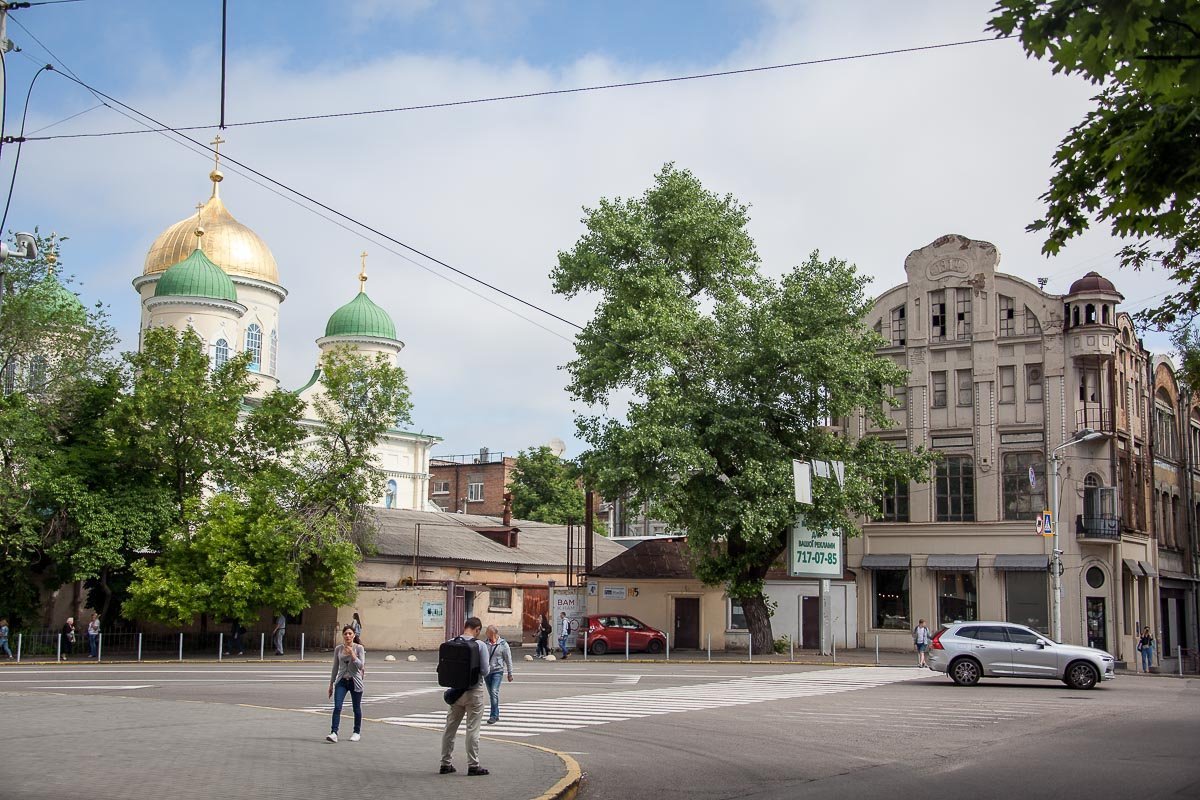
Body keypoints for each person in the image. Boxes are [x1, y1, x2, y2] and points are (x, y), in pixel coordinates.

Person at [439, 616, 491, 776]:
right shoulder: (480, 645)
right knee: (472, 729)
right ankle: (473, 765)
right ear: (477, 629)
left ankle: (445, 763)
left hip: (455, 692)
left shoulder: (451, 642)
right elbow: (485, 670)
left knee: (450, 728)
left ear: (464, 627)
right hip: (474, 692)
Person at [326, 625, 366, 743]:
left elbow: (361, 666)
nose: (347, 636)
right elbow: (335, 667)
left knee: (356, 708)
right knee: (337, 707)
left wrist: (353, 655)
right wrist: (331, 683)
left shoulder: (359, 648)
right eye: (345, 634)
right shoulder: (338, 649)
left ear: (354, 635)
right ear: (343, 635)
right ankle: (334, 732)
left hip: (355, 681)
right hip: (342, 681)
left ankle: (356, 732)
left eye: (350, 633)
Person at [483, 625, 514, 724]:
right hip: (487, 672)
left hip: (497, 671)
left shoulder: (503, 644)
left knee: (494, 692)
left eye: (487, 632)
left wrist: (510, 673)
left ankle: (494, 715)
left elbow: (508, 659)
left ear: (493, 633)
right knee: (492, 694)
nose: (486, 634)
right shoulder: (485, 644)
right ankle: (496, 714)